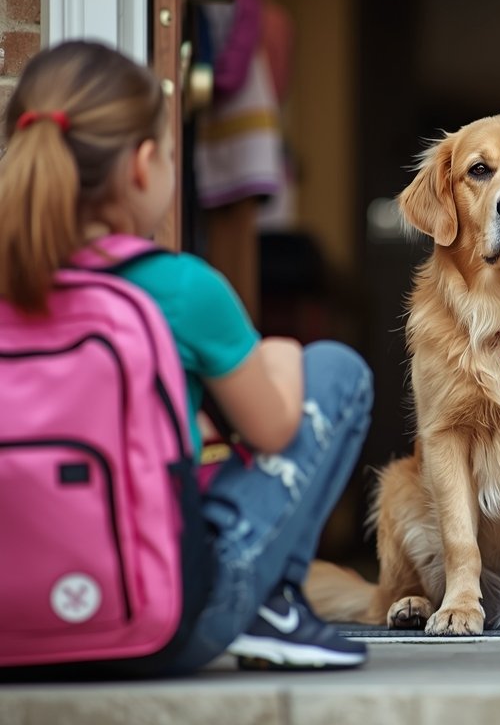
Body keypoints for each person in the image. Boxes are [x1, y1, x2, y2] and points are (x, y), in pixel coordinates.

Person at [0, 40, 373, 672]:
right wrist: (281, 354)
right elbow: (274, 427)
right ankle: (268, 605)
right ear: (144, 166)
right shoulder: (182, 287)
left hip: (14, 633)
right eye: (172, 154)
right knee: (337, 369)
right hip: (163, 628)